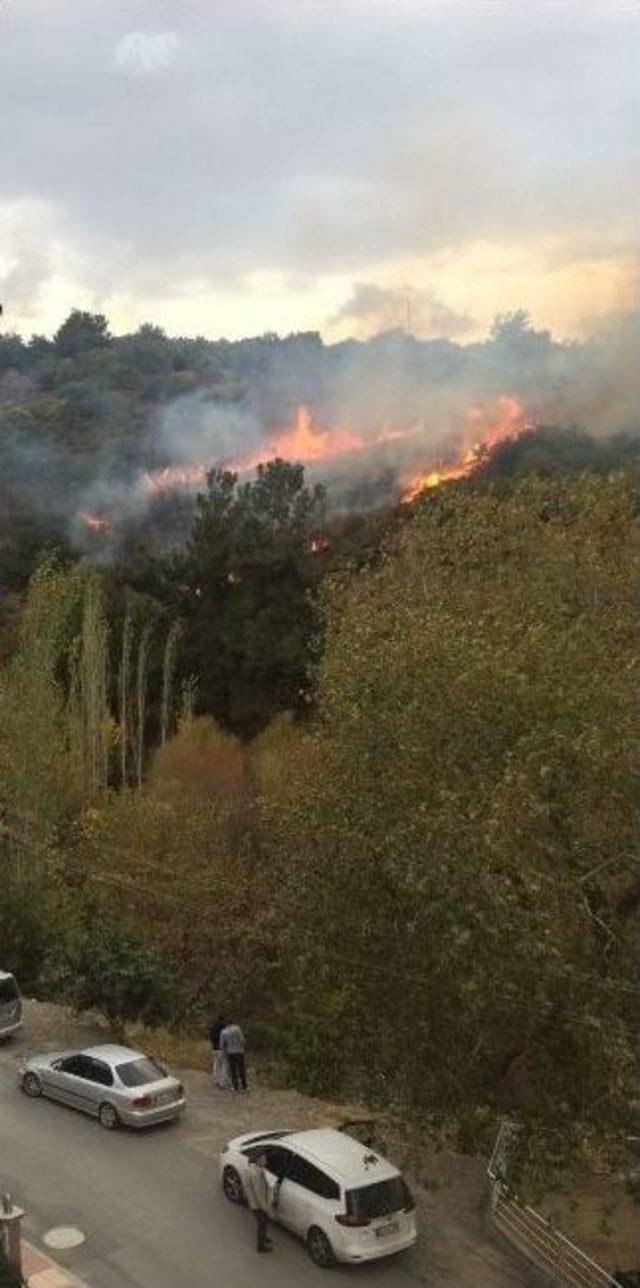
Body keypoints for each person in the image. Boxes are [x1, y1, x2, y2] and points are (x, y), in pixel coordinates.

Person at [245, 1152, 273, 1253]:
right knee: (262, 1224)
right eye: (263, 1159)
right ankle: (261, 1247)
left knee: (264, 1222)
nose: (266, 1161)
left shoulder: (254, 1168)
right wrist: (264, 1207)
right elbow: (257, 1193)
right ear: (258, 1160)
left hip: (255, 1203)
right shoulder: (256, 1173)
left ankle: (264, 1238)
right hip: (257, 1205)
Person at [220, 1020, 247, 1091]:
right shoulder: (238, 1029)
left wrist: (224, 1053)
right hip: (240, 1052)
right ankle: (245, 1086)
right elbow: (242, 1040)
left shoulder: (224, 1032)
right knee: (241, 1069)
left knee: (233, 1070)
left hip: (230, 1052)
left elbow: (222, 1044)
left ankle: (235, 1086)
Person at [209, 1015, 229, 1088]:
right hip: (221, 1048)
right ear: (223, 1020)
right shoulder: (223, 1028)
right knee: (224, 1065)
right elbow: (225, 1039)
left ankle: (215, 1080)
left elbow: (211, 1038)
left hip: (214, 1048)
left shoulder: (213, 1027)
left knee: (216, 1064)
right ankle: (222, 1083)